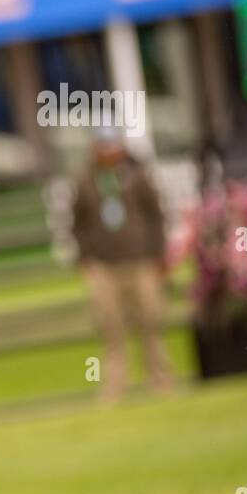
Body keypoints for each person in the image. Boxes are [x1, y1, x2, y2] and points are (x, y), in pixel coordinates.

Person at [70, 125, 175, 403]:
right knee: (111, 328)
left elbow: (156, 216)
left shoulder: (138, 176)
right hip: (104, 266)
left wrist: (159, 255)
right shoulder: (85, 181)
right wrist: (85, 258)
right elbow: (76, 224)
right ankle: (114, 387)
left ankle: (161, 381)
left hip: (140, 261)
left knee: (151, 323)